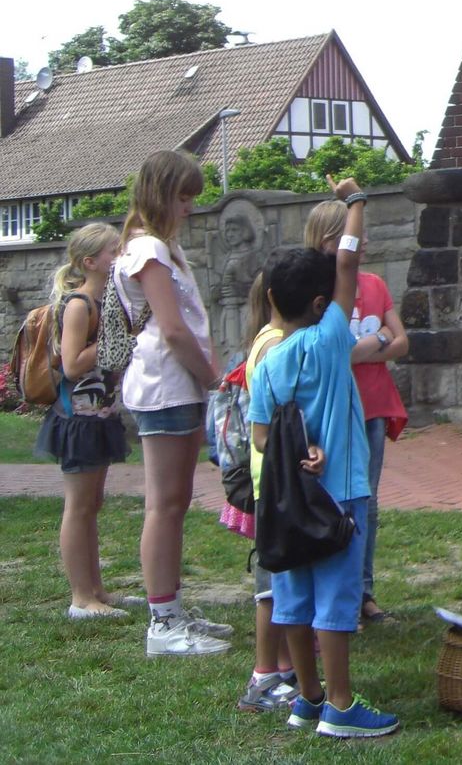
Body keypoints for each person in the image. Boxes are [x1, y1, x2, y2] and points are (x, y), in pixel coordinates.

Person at [248, 179, 398, 739]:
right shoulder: (331, 340)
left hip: (287, 502)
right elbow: (348, 263)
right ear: (320, 304)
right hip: (339, 494)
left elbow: (262, 438)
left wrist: (299, 448)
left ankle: (306, 698)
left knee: (293, 599)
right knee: (336, 603)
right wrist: (356, 202)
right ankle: (340, 704)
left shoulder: (264, 364)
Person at [116, 149, 231, 656]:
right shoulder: (149, 252)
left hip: (178, 385)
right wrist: (214, 379)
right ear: (162, 193)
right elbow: (174, 329)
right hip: (167, 385)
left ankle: (173, 610)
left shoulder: (161, 248)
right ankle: (162, 622)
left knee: (175, 502)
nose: (189, 207)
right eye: (183, 197)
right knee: (163, 504)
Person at [303, 200, 409, 627]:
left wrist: (364, 348)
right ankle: (328, 590)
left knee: (367, 500)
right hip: (329, 412)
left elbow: (401, 341)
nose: (365, 242)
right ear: (329, 239)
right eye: (355, 234)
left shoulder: (375, 284)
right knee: (327, 498)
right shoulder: (313, 288)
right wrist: (377, 341)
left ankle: (362, 591)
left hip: (372, 407)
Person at [33, 222, 134, 620]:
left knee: (92, 503)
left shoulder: (102, 303)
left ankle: (96, 590)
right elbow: (73, 364)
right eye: (113, 251)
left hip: (98, 414)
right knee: (78, 506)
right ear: (91, 262)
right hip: (78, 417)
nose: (119, 257)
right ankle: (80, 597)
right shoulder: (79, 305)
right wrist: (113, 340)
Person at [232, 271, 298, 713]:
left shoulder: (266, 338)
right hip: (274, 479)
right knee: (271, 584)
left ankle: (286, 667)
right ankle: (263, 675)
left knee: (286, 577)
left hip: (278, 475)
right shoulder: (275, 345)